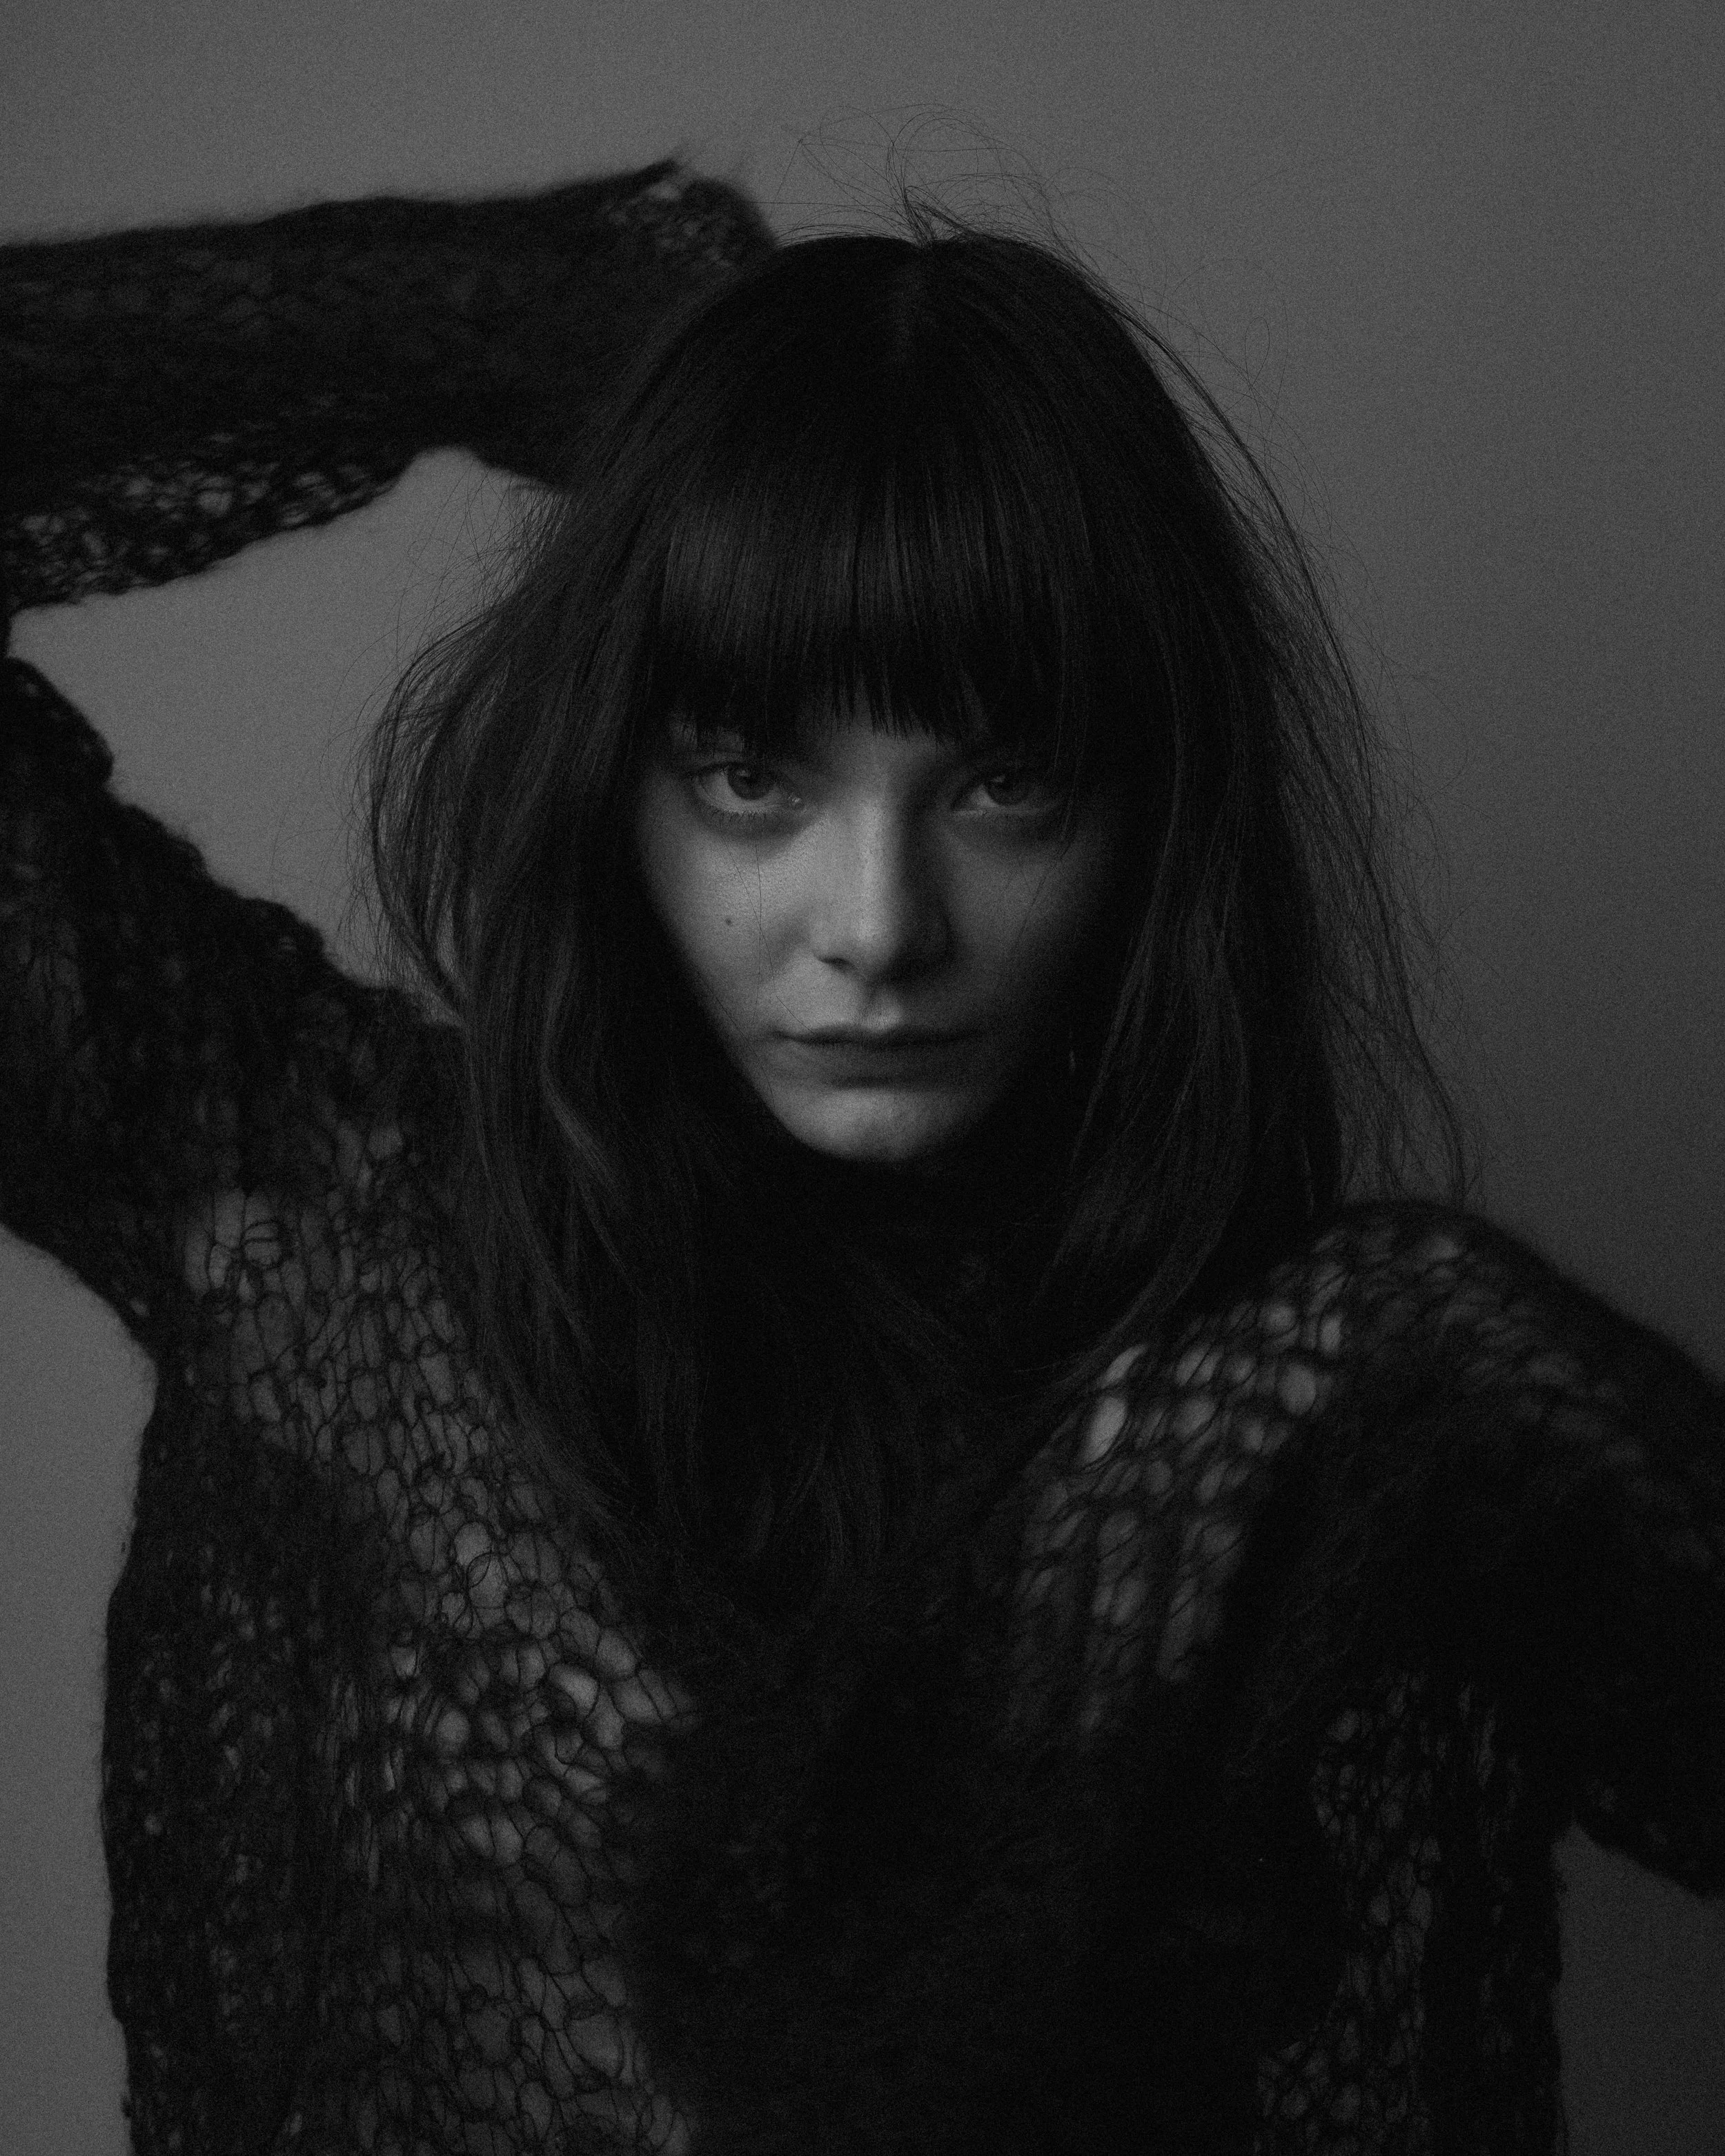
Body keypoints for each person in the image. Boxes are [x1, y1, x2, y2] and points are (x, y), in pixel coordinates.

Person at [1, 155, 1719, 2156]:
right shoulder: (309, 1203)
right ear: (605, 784)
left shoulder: (1344, 1437)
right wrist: (501, 311)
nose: (879, 920)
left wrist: (1378, 1388)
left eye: (1002, 780)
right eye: (751, 774)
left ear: (1149, 822)